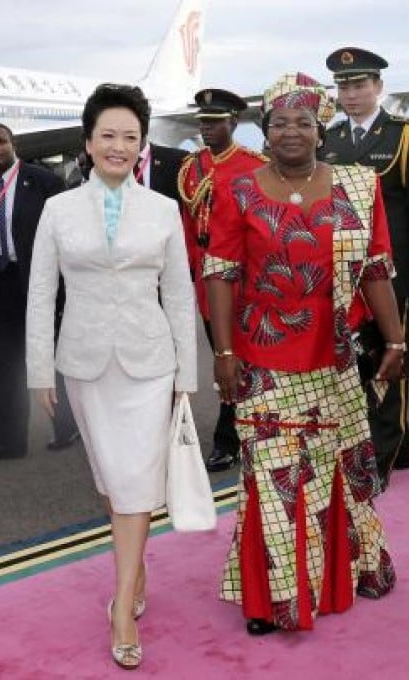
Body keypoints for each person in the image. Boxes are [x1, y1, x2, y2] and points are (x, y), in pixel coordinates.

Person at [206, 73, 400, 636]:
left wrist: (396, 340)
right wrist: (222, 351)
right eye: (280, 123)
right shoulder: (238, 189)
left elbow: (376, 268)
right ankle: (274, 599)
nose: (291, 131)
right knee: (273, 480)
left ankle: (339, 576)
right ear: (265, 132)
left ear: (321, 130)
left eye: (304, 122)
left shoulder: (359, 185)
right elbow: (221, 272)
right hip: (262, 359)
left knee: (332, 469)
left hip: (334, 359)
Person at [26, 83, 197, 670]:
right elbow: (41, 293)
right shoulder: (58, 210)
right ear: (88, 142)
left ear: (142, 144)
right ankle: (137, 565)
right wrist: (39, 370)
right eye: (108, 136)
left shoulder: (164, 209)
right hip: (85, 363)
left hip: (150, 364)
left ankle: (121, 606)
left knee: (133, 479)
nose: (118, 147)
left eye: (130, 137)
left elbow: (180, 295)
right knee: (110, 479)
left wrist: (187, 375)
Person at [321, 47, 409, 486]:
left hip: (395, 270)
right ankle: (360, 444)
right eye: (344, 87)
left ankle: (389, 452)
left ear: (378, 87)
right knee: (357, 360)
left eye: (359, 85)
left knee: (394, 358)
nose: (351, 94)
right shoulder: (330, 140)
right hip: (344, 274)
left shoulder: (401, 137)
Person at [0, 123, 77, 463]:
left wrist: (65, 291)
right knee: (2, 368)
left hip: (35, 283)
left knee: (48, 357)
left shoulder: (43, 182)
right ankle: (9, 440)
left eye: (0, 141)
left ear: (13, 144)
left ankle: (66, 426)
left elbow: (66, 236)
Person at [178, 88, 268, 472]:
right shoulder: (192, 167)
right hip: (207, 285)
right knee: (223, 358)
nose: (207, 128)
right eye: (203, 122)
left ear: (234, 122)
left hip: (244, 283)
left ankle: (233, 436)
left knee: (249, 358)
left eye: (215, 122)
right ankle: (234, 433)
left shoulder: (254, 166)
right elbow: (188, 227)